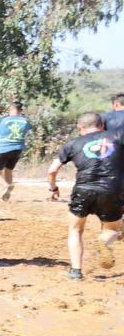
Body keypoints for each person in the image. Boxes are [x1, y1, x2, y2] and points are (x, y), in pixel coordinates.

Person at [46, 112, 122, 280]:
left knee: (75, 230)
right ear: (102, 125)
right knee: (112, 229)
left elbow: (52, 170)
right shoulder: (118, 136)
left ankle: (76, 272)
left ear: (79, 128)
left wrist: (53, 188)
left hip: (83, 189)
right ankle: (103, 242)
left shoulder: (73, 143)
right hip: (112, 188)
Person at [0, 100, 31, 201]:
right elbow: (25, 132)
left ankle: (6, 186)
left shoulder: (0, 120)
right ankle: (6, 196)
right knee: (8, 170)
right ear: (20, 110)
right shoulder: (26, 121)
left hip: (3, 148)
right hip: (18, 149)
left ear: (11, 109)